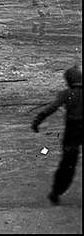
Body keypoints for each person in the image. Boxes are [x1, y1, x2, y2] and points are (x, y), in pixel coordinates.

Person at [32, 64, 82, 205]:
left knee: (68, 163)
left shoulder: (66, 93)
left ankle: (56, 192)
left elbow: (51, 108)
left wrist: (37, 120)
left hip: (72, 130)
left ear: (68, 81)